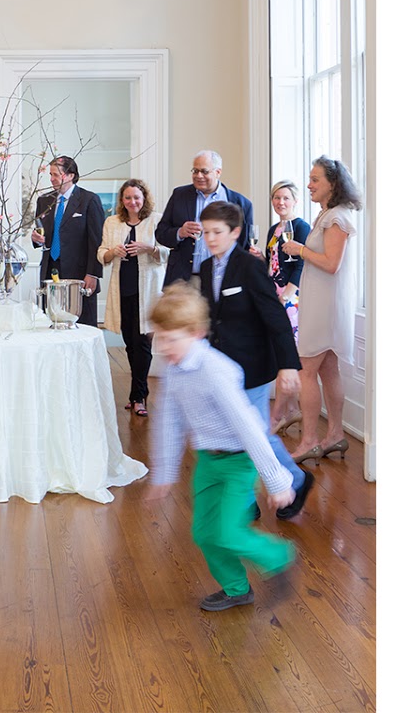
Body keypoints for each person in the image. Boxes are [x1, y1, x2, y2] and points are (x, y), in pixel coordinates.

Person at [144, 283, 296, 611]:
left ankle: (279, 556)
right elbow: (169, 421)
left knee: (228, 532)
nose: (164, 347)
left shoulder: (215, 371)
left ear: (196, 333)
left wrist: (276, 480)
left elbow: (249, 428)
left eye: (171, 339)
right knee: (203, 533)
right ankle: (237, 588)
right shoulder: (174, 370)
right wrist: (164, 473)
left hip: (239, 462)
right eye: (160, 338)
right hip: (208, 461)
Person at [196, 201, 313, 520]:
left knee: (254, 434)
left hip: (253, 366)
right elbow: (211, 317)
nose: (210, 238)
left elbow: (275, 315)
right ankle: (247, 500)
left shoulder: (250, 266)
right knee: (233, 434)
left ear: (235, 232)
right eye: (206, 232)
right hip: (221, 368)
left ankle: (295, 480)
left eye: (217, 232)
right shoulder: (205, 269)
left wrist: (288, 365)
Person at [285, 157, 362, 462]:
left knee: (306, 371)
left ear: (333, 183)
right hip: (321, 302)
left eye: (315, 179)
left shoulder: (337, 218)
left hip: (326, 306)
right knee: (328, 369)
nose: (309, 185)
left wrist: (300, 250)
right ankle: (335, 435)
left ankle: (309, 441)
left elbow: (332, 264)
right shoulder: (327, 215)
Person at [98, 179, 170, 416]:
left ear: (144, 198)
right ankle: (138, 391)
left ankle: (138, 396)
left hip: (147, 290)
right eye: (128, 197)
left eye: (136, 197)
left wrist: (149, 248)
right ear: (122, 200)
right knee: (129, 343)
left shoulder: (157, 220)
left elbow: (169, 253)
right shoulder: (112, 222)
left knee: (142, 343)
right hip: (123, 289)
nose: (132, 202)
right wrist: (112, 252)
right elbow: (102, 253)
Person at [255, 180, 311, 434]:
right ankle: (290, 410)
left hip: (290, 298)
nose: (280, 202)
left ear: (295, 201)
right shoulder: (273, 229)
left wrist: (288, 293)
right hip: (273, 295)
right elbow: (273, 262)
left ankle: (278, 415)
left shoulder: (301, 227)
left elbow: (301, 263)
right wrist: (260, 258)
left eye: (286, 198)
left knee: (286, 353)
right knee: (279, 352)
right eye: (276, 198)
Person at [154, 150, 254, 289]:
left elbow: (244, 245)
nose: (198, 176)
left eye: (204, 171)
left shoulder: (241, 203)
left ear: (218, 172)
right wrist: (179, 232)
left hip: (223, 280)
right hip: (183, 280)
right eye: (195, 171)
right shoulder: (179, 195)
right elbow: (161, 233)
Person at [30, 155, 105, 326]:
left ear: (71, 175)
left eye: (56, 174)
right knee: (52, 324)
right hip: (50, 273)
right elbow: (41, 233)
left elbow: (97, 241)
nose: (51, 179)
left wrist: (93, 273)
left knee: (82, 326)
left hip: (80, 276)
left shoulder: (89, 200)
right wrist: (36, 239)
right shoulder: (44, 201)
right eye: (50, 174)